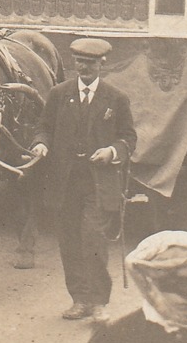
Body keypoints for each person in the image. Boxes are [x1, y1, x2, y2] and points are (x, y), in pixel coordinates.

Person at [30, 37, 137, 321]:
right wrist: (41, 144)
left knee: (93, 240)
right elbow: (43, 127)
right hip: (64, 182)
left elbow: (129, 138)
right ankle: (79, 299)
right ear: (73, 63)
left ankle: (99, 301)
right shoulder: (59, 94)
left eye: (90, 63)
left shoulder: (115, 98)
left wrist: (112, 151)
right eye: (80, 63)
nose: (84, 68)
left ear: (102, 64)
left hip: (97, 183)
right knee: (68, 241)